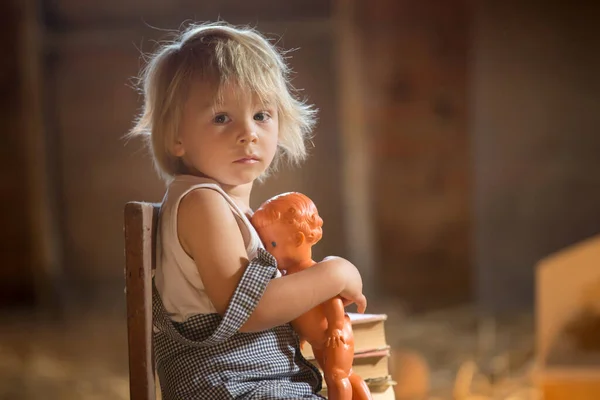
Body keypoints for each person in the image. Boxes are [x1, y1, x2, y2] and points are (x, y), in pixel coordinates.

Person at [127, 21, 367, 399]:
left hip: (258, 382)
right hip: (228, 386)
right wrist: (334, 273)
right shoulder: (202, 203)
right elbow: (249, 311)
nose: (248, 133)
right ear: (176, 136)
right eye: (222, 118)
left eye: (261, 115)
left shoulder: (231, 210)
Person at [252, 192, 373, 400]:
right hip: (317, 340)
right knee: (336, 374)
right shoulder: (285, 279)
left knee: (337, 376)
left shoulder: (316, 273)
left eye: (272, 245)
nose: (267, 252)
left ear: (298, 239)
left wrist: (335, 327)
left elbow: (332, 300)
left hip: (335, 336)